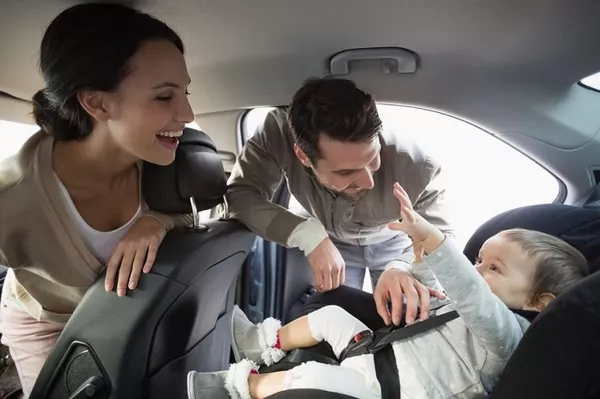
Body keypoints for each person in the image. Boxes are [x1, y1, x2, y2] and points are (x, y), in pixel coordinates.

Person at [188, 182, 589, 399]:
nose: (476, 269)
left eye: (494, 268)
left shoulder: (510, 336)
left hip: (392, 390)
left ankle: (238, 389)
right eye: (479, 259)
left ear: (539, 303)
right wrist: (418, 257)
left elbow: (474, 298)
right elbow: (431, 288)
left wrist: (437, 242)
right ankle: (262, 343)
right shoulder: (471, 305)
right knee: (330, 316)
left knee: (311, 375)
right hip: (379, 353)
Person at [0, 3, 194, 395]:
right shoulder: (12, 198)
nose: (188, 113)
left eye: (185, 93)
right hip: (46, 324)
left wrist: (158, 221)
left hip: (128, 317)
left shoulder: (171, 163)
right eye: (164, 97)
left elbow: (203, 215)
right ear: (97, 103)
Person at [227, 77, 453, 325]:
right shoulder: (276, 134)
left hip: (396, 243)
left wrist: (403, 266)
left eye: (373, 158)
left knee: (403, 322)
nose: (368, 182)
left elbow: (443, 239)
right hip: (329, 238)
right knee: (334, 322)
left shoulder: (418, 165)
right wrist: (306, 234)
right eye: (345, 172)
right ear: (302, 155)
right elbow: (240, 195)